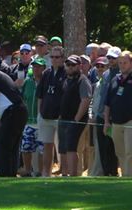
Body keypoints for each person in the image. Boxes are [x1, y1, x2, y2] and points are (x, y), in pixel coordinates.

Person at [58, 55, 92, 176]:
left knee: (71, 148)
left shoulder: (83, 80)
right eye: (68, 65)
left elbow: (86, 100)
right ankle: (64, 173)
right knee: (63, 148)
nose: (70, 67)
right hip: (64, 119)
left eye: (73, 65)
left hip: (76, 120)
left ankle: (73, 175)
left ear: (79, 66)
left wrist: (76, 118)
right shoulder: (66, 80)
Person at [36, 46, 66, 177]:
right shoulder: (46, 73)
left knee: (62, 148)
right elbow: (40, 96)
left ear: (62, 58)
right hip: (45, 116)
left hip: (59, 117)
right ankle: (46, 173)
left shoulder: (66, 73)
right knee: (47, 146)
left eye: (57, 57)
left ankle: (65, 173)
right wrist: (39, 113)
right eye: (52, 57)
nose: (54, 59)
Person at [103, 50, 132, 177]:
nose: (122, 65)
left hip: (130, 121)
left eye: (125, 62)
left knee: (129, 151)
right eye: (120, 63)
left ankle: (129, 177)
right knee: (120, 152)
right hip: (115, 122)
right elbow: (107, 103)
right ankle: (125, 176)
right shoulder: (115, 79)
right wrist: (106, 122)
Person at [95, 47, 121, 176]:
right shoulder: (105, 74)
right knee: (102, 147)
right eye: (109, 58)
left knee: (112, 147)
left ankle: (113, 172)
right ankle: (106, 173)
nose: (110, 60)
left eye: (113, 58)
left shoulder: (121, 74)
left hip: (113, 116)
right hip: (101, 114)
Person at [20, 58, 46, 177]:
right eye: (34, 66)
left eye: (39, 67)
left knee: (41, 150)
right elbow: (22, 99)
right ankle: (27, 170)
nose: (36, 69)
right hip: (28, 121)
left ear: (43, 68)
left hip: (42, 122)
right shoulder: (27, 82)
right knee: (26, 148)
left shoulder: (46, 82)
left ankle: (39, 172)